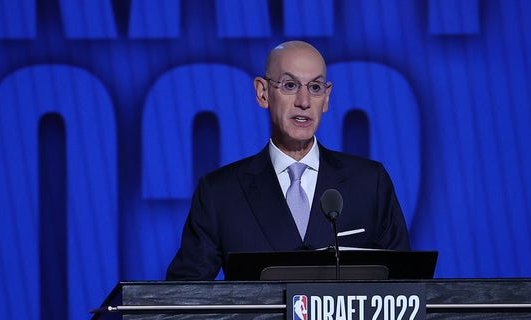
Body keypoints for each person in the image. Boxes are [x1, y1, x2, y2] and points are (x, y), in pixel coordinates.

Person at [166, 40, 410, 280]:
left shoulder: (369, 182)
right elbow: (182, 296)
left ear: (326, 98)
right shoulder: (219, 192)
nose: (303, 102)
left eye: (315, 88)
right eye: (290, 85)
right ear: (263, 93)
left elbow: (407, 287)